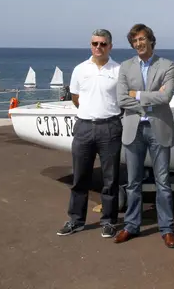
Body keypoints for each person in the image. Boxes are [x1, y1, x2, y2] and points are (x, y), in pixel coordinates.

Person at [114, 24, 174, 248]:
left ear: (151, 40)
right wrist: (149, 99)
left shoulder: (167, 65)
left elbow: (167, 97)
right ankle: (131, 225)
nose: (139, 44)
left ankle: (167, 228)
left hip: (159, 128)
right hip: (134, 129)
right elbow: (121, 99)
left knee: (163, 182)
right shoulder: (125, 67)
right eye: (134, 41)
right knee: (133, 183)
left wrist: (138, 95)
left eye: (142, 39)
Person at [56, 29, 122, 239]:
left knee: (110, 179)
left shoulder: (119, 70)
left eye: (103, 44)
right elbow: (76, 97)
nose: (98, 47)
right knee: (80, 177)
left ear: (110, 46)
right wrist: (89, 112)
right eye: (95, 43)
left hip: (110, 127)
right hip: (84, 127)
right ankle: (76, 220)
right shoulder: (80, 69)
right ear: (90, 45)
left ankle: (109, 221)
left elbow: (123, 99)